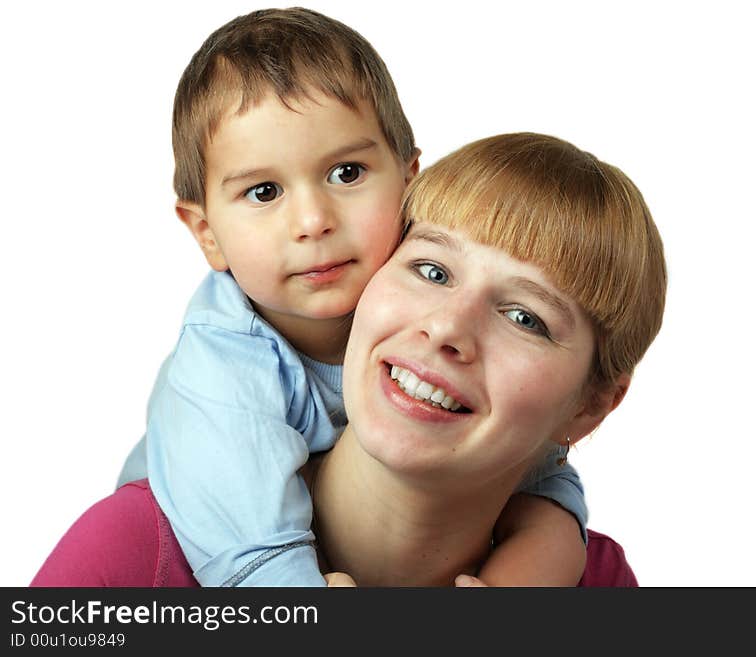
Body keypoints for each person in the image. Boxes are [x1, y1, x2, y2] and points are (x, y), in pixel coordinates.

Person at [32, 132, 664, 587]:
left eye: (525, 318)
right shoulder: (134, 556)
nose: (446, 328)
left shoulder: (596, 581)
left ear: (592, 405)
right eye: (431, 268)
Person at [114, 8, 589, 587]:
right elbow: (255, 565)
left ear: (413, 181)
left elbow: (537, 470)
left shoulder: (439, 319)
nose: (313, 221)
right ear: (207, 232)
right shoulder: (220, 374)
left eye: (346, 173)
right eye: (263, 191)